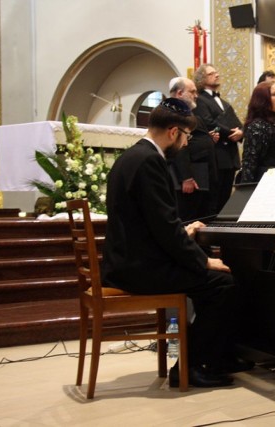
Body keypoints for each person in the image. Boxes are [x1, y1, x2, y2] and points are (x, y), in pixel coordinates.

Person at [101, 98, 251, 388]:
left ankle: (218, 356)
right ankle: (188, 367)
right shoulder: (150, 161)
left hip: (130, 260)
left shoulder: (132, 157)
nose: (185, 145)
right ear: (173, 132)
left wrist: (183, 230)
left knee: (217, 280)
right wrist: (202, 260)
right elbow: (162, 228)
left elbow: (152, 222)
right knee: (222, 284)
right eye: (186, 137)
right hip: (139, 268)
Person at [192, 63, 243, 213]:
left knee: (226, 199)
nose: (217, 75)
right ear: (201, 79)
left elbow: (238, 123)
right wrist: (231, 133)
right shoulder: (200, 100)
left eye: (216, 72)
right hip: (217, 154)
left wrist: (241, 132)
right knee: (214, 199)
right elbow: (209, 123)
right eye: (211, 73)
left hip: (230, 156)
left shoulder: (225, 102)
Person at [166, 76, 218, 220]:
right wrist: (186, 177)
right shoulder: (173, 113)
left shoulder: (189, 113)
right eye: (192, 91)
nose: (196, 95)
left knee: (203, 217)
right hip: (192, 176)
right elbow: (178, 146)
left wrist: (208, 138)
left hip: (202, 174)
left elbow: (195, 138)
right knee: (190, 218)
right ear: (179, 93)